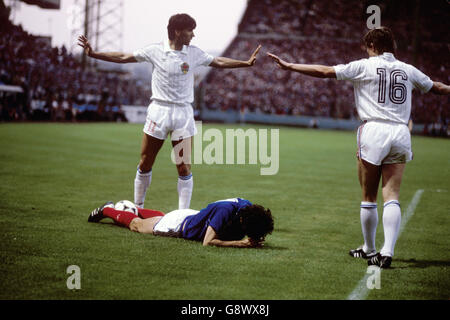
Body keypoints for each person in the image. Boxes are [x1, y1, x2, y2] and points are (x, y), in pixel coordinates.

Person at [267, 27, 450, 268]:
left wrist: (290, 66)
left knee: (368, 196)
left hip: (373, 130)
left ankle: (370, 248)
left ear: (372, 46)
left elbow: (324, 71)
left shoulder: (365, 65)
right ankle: (387, 251)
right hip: (400, 131)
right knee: (392, 195)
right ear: (392, 46)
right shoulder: (408, 69)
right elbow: (436, 87)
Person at [78, 13, 262, 210]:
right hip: (159, 111)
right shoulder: (155, 50)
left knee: (183, 167)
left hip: (183, 114)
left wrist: (245, 63)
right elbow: (124, 57)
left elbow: (219, 62)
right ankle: (138, 208)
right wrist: (94, 54)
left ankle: (182, 214)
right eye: (190, 30)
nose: (193, 35)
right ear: (177, 31)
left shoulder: (194, 53)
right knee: (145, 162)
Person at [88, 198, 274, 248]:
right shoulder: (225, 212)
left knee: (161, 218)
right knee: (136, 226)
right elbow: (207, 242)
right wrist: (240, 243)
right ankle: (107, 209)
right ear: (244, 221)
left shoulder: (246, 208)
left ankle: (134, 208)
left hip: (191, 216)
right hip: (179, 226)